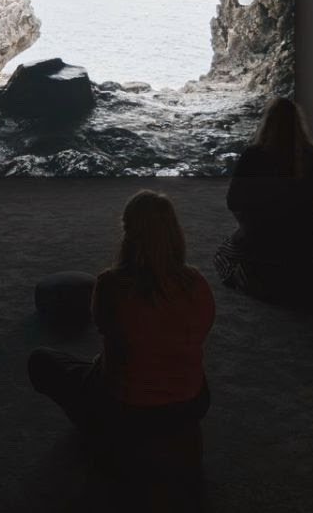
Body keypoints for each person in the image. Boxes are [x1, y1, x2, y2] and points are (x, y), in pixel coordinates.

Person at [28, 190, 215, 449]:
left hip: (126, 409)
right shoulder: (198, 283)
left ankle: (98, 429)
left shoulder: (110, 284)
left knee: (41, 361)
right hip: (191, 403)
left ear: (128, 232)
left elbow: (103, 327)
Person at [213, 96, 313, 307]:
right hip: (306, 243)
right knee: (296, 260)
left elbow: (233, 202)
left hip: (259, 241)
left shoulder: (253, 156)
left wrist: (251, 225)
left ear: (267, 123)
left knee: (222, 254)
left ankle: (250, 278)